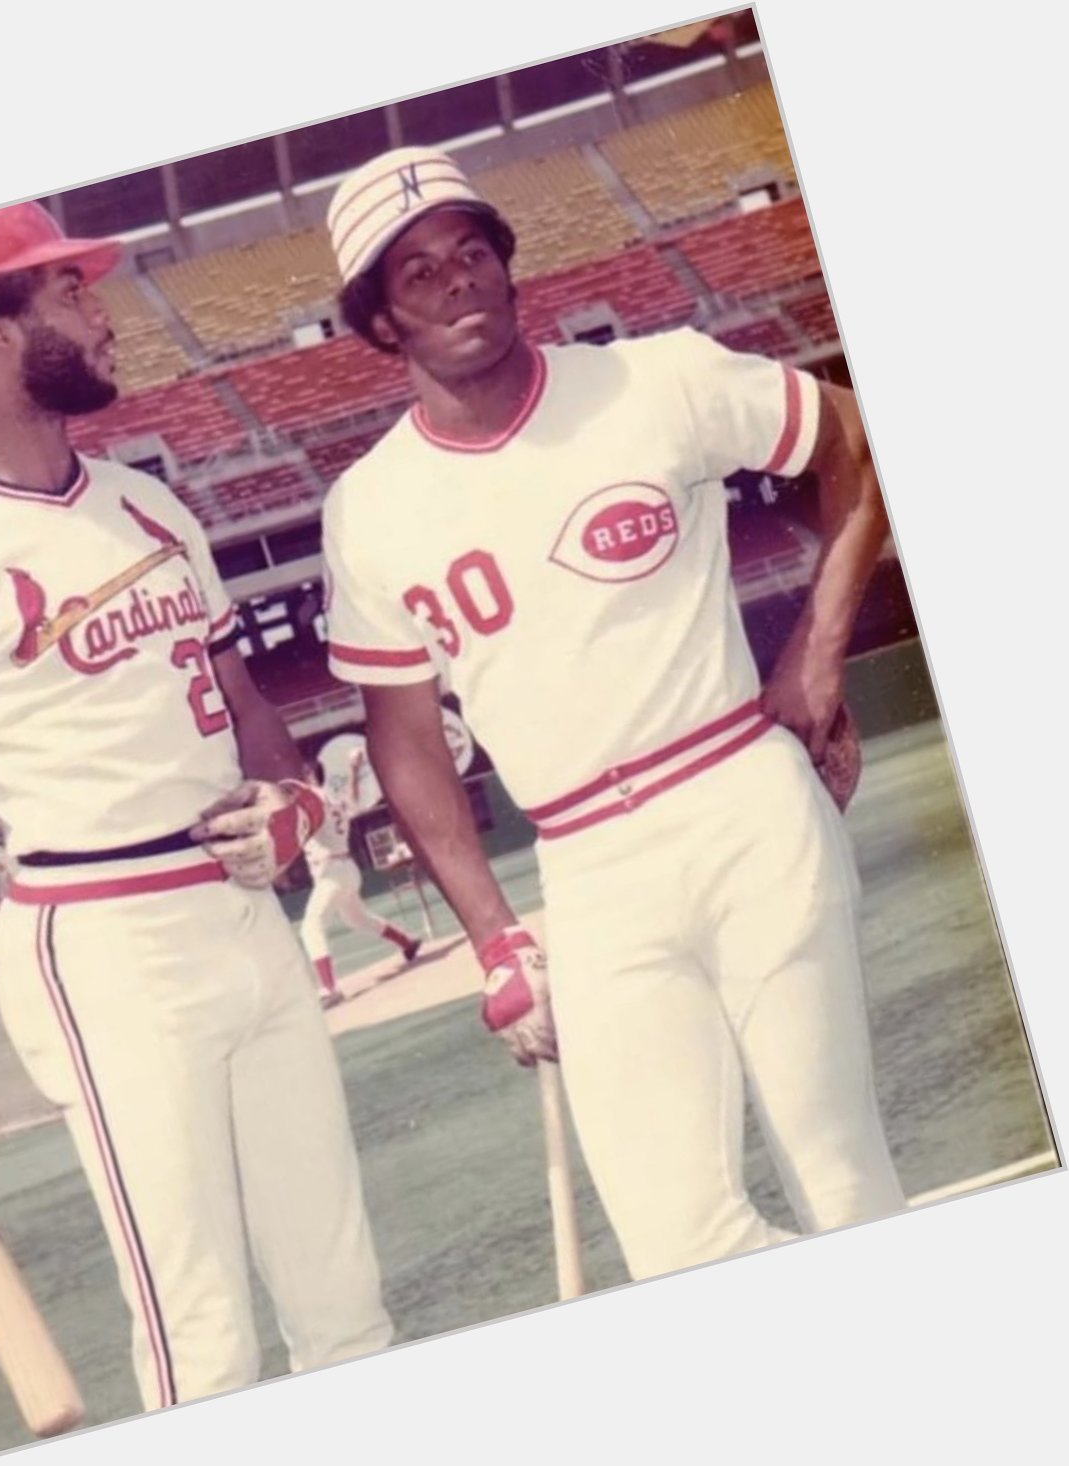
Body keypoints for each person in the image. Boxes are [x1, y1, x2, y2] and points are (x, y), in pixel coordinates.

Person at [319, 146, 906, 1283]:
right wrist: (496, 933)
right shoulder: (369, 507)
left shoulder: (659, 379)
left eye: (471, 251)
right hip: (585, 863)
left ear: (506, 263)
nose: (456, 281)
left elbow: (857, 439)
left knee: (839, 1178)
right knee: (676, 1240)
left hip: (742, 797)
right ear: (380, 322)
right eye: (418, 273)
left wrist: (818, 658)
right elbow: (405, 744)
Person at [0, 201, 392, 1412]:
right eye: (68, 292)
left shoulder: (149, 505)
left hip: (247, 915)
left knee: (347, 1307)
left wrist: (295, 796)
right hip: (106, 944)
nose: (104, 310)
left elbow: (242, 698)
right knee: (204, 1348)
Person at [299, 748, 421, 1008]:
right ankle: (407, 942)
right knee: (357, 918)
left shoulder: (311, 801)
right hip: (346, 868)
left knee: (311, 926)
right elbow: (354, 801)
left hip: (332, 871)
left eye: (303, 773)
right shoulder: (334, 799)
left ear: (310, 774)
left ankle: (329, 988)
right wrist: (353, 770)